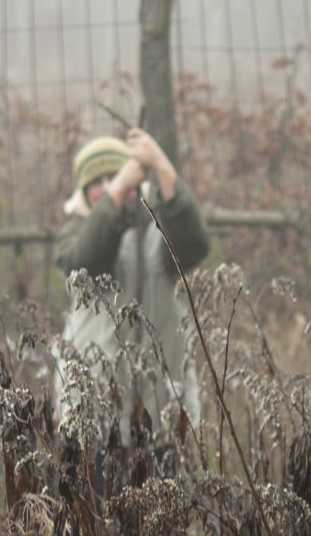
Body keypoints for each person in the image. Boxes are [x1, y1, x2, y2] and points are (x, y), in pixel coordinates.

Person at [55, 128, 209, 443]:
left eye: (115, 175)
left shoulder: (159, 238)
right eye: (96, 183)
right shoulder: (73, 236)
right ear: (82, 194)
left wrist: (163, 168)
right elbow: (87, 259)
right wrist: (119, 189)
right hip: (96, 417)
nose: (107, 186)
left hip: (162, 414)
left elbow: (194, 243)